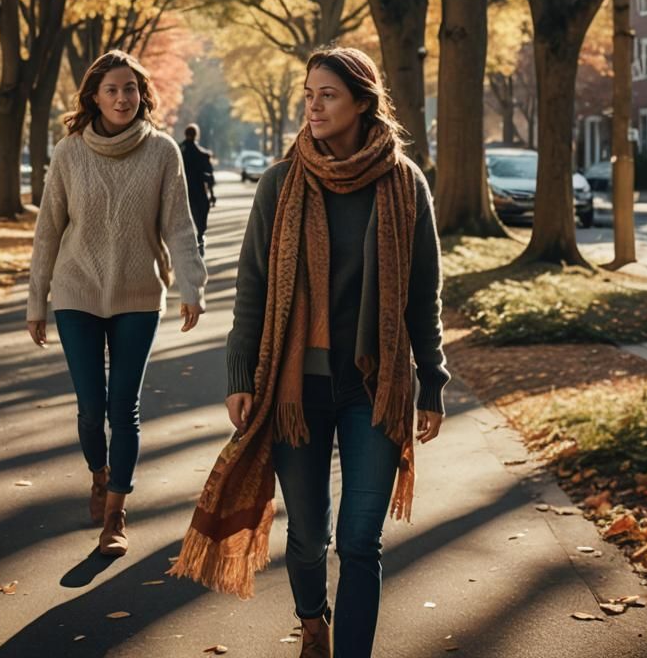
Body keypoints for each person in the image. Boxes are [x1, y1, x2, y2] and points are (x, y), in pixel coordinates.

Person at [171, 47, 448, 658]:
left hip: (374, 389)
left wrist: (432, 381)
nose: (313, 106)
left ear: (362, 103)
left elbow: (422, 293)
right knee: (307, 537)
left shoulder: (405, 184)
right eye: (308, 93)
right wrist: (241, 372)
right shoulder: (281, 182)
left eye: (327, 94)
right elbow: (253, 286)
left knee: (359, 541)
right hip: (297, 386)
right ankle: (312, 619)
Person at [27, 50, 207, 558]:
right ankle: (99, 473)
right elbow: (48, 230)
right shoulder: (68, 153)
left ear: (141, 93)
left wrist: (191, 286)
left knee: (122, 408)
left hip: (137, 295)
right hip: (76, 293)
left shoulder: (163, 151)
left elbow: (179, 225)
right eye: (112, 90)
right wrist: (36, 299)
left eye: (130, 88)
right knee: (90, 409)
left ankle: (115, 515)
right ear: (94, 97)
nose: (123, 98)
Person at [179, 123, 216, 256]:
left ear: (185, 134)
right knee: (201, 213)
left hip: (181, 191)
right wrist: (212, 194)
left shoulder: (177, 151)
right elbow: (209, 177)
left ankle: (189, 241)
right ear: (196, 135)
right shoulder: (203, 154)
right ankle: (200, 237)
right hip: (199, 191)